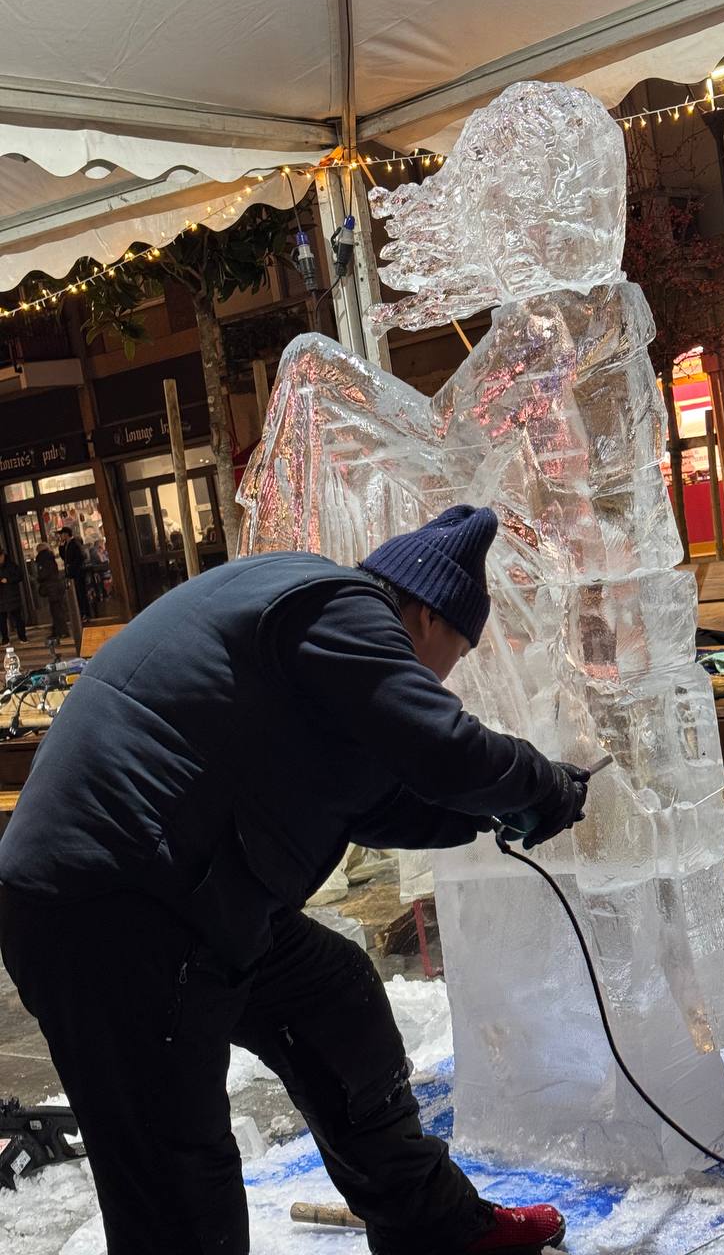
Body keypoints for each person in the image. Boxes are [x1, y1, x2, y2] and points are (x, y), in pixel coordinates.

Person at [0, 505, 590, 1255]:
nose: (448, 673)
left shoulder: (321, 642)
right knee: (173, 1165)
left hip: (182, 885)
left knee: (332, 1001)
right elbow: (442, 747)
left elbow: (382, 799)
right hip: (107, 906)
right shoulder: (339, 606)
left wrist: (491, 814)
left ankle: (437, 1230)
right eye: (458, 652)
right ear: (425, 615)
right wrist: (540, 785)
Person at [35, 541, 69, 643]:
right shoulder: (51, 557)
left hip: (51, 587)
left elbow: (44, 574)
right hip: (56, 586)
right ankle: (58, 630)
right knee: (58, 609)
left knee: (56, 610)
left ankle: (61, 631)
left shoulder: (42, 559)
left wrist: (38, 579)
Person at [58, 527, 89, 620]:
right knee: (77, 594)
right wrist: (61, 546)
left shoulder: (75, 543)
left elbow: (81, 556)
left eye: (62, 534)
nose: (61, 536)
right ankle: (81, 613)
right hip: (73, 573)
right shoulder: (67, 544)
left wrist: (72, 566)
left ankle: (85, 613)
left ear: (66, 534)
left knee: (81, 593)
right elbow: (64, 557)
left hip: (78, 573)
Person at [0, 546, 27, 644]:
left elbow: (20, 576)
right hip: (2, 596)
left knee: (17, 617)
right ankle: (5, 639)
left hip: (12, 595)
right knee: (2, 619)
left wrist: (8, 580)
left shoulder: (11, 565)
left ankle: (22, 636)